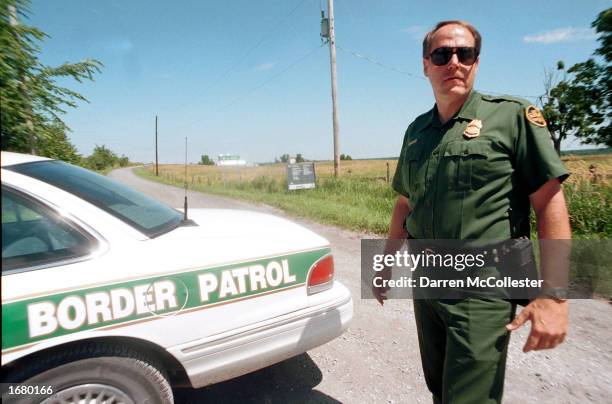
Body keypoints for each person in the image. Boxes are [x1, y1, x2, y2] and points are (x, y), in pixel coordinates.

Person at [374, 20, 572, 403]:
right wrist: (384, 267)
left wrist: (555, 296)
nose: (454, 62)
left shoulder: (511, 117)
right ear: (426, 64)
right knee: (440, 388)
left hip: (483, 288)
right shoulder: (417, 131)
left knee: (469, 398)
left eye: (465, 54)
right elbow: (405, 203)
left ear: (476, 62)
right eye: (442, 54)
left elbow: (549, 200)